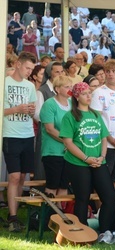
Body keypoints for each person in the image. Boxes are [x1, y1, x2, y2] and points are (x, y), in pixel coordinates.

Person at [59, 81, 115, 235]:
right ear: (77, 97)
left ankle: (104, 231)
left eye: (90, 93)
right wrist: (85, 158)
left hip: (99, 161)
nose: (89, 96)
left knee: (110, 197)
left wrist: (102, 156)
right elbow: (68, 142)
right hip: (78, 163)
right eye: (85, 93)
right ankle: (82, 233)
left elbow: (104, 137)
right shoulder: (69, 116)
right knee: (82, 199)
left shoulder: (96, 114)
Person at [3, 52, 37, 232]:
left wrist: (30, 110)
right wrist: (17, 108)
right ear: (17, 64)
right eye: (27, 68)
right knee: (14, 176)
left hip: (27, 133)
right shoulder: (5, 83)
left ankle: (13, 212)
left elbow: (32, 112)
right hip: (10, 133)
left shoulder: (30, 86)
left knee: (22, 176)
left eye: (32, 69)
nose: (29, 72)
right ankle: (13, 216)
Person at [90, 60, 115, 189]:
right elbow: (96, 120)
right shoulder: (99, 93)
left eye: (114, 71)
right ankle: (102, 209)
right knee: (103, 181)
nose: (110, 74)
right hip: (106, 143)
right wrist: (111, 139)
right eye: (108, 71)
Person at [40, 75, 72, 198]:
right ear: (57, 89)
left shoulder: (72, 104)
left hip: (68, 153)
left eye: (70, 86)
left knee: (64, 185)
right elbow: (50, 129)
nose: (70, 89)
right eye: (66, 87)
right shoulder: (49, 104)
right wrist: (67, 142)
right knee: (52, 185)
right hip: (53, 152)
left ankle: (60, 214)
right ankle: (49, 214)